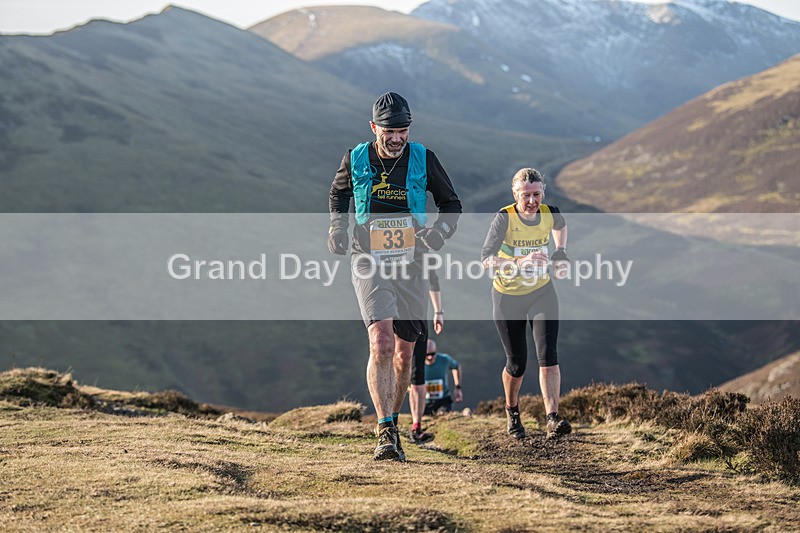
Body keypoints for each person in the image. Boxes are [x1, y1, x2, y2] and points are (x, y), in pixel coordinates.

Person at [328, 92, 461, 461]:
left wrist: (438, 233)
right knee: (381, 342)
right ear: (374, 128)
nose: (397, 137)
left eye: (403, 130)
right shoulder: (355, 158)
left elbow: (452, 205)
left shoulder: (424, 158)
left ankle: (395, 422)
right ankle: (384, 429)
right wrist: (337, 229)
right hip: (368, 258)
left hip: (412, 262)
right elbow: (338, 194)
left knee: (404, 353)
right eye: (389, 131)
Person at [480, 168, 572, 440]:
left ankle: (552, 418)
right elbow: (486, 259)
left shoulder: (549, 212)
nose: (532, 201)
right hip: (507, 296)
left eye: (537, 194)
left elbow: (561, 226)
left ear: (543, 192)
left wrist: (560, 253)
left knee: (549, 356)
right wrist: (520, 262)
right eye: (526, 196)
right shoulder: (504, 218)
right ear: (514, 194)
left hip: (541, 291)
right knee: (517, 364)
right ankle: (512, 411)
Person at [408, 269, 443, 443]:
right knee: (394, 369)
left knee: (417, 375)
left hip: (418, 319)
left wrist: (438, 312)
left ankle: (416, 426)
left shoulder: (422, 250)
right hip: (395, 316)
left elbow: (433, 280)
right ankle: (387, 422)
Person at [421, 339, 463, 416]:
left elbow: (457, 367)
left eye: (433, 354)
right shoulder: (417, 362)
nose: (430, 357)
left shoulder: (444, 359)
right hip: (425, 402)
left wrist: (458, 387)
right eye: (427, 354)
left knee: (443, 416)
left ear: (436, 351)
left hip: (443, 400)